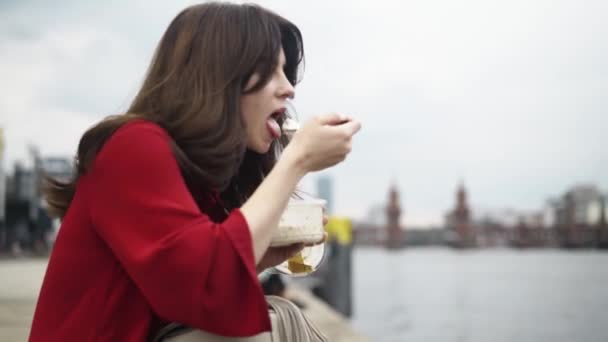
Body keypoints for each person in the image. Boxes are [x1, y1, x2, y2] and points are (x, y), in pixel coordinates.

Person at [29, 2, 360, 341]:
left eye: (286, 72)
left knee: (277, 315)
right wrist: (298, 159)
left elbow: (184, 289)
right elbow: (205, 287)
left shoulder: (197, 179)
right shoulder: (133, 147)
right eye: (271, 71)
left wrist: (261, 257)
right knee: (266, 329)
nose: (288, 88)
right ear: (222, 75)